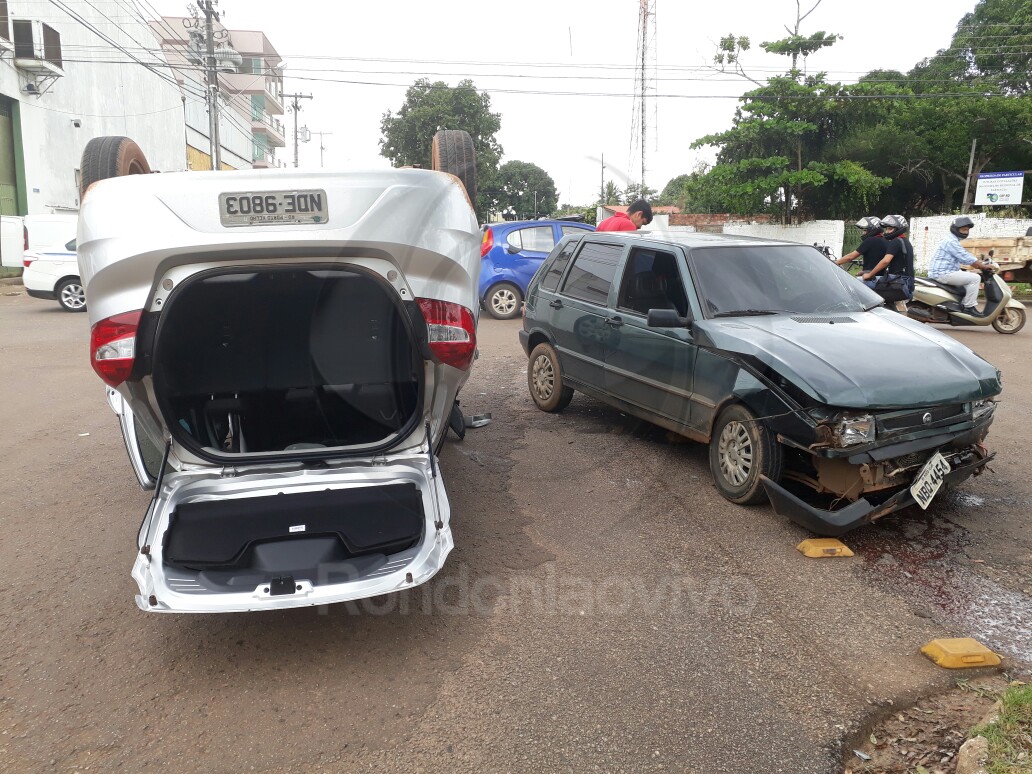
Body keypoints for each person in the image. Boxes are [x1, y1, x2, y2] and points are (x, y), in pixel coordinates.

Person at [929, 216, 993, 314]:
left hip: (946, 271)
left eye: (967, 230)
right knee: (975, 278)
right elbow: (964, 256)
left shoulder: (953, 240)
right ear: (956, 229)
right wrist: (982, 266)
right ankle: (968, 307)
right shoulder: (951, 241)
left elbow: (963, 256)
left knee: (969, 276)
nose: (966, 232)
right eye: (963, 230)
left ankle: (960, 305)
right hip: (943, 273)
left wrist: (978, 263)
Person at [836, 216, 889, 288]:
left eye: (865, 230)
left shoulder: (870, 240)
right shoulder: (885, 240)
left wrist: (835, 262)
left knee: (845, 287)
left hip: (870, 280)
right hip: (881, 278)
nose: (863, 233)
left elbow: (850, 257)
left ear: (872, 229)